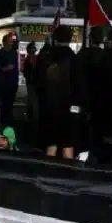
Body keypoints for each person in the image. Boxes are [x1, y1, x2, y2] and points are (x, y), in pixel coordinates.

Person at [35, 25, 83, 159]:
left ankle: (49, 170)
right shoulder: (74, 59)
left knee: (51, 145)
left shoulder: (46, 57)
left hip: (49, 108)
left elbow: (39, 83)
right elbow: (79, 86)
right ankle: (67, 171)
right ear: (70, 39)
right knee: (68, 146)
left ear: (55, 39)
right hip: (68, 109)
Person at [0, 33, 20, 129]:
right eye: (9, 41)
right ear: (4, 42)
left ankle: (8, 124)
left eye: (11, 41)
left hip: (12, 84)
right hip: (2, 84)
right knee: (1, 104)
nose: (11, 43)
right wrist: (4, 69)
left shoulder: (14, 53)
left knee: (9, 104)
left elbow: (16, 68)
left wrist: (16, 82)